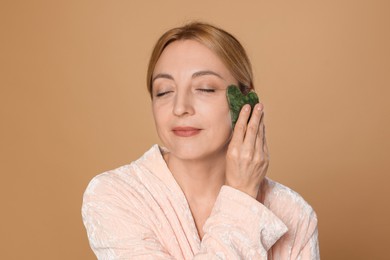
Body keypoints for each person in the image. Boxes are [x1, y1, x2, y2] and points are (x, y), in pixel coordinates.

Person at [82, 22, 320, 259]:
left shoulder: (294, 214)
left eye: (205, 89)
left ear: (245, 100)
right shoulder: (114, 196)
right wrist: (241, 196)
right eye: (164, 91)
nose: (180, 108)